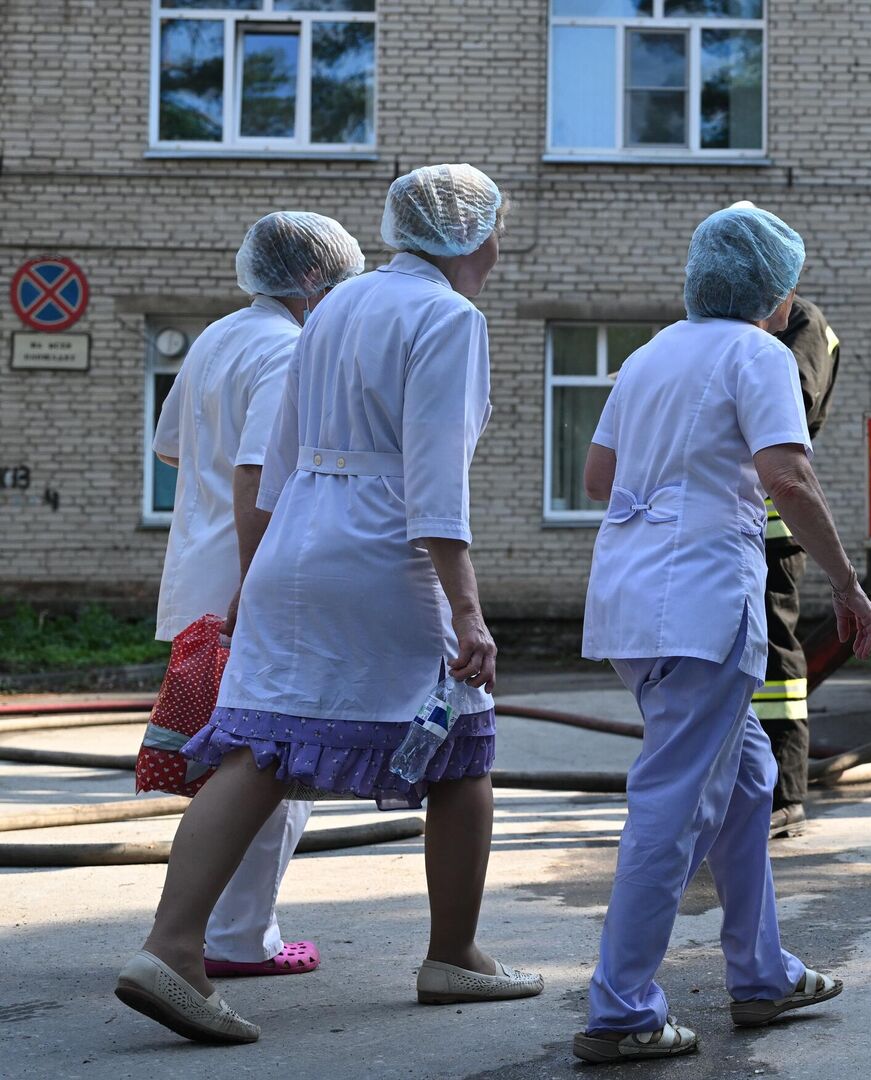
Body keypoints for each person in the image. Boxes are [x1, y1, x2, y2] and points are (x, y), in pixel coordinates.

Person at [115, 164, 543, 1046]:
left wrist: (250, 582)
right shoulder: (449, 317)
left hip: (294, 543)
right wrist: (468, 612)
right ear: (473, 237)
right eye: (498, 228)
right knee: (461, 744)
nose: (500, 247)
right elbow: (435, 480)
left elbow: (269, 465)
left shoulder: (335, 306)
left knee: (262, 744)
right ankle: (454, 953)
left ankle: (171, 947)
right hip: (383, 551)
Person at [573, 204, 871, 1063]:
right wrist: (848, 586)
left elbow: (599, 476)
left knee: (747, 782)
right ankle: (622, 1008)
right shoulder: (760, 353)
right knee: (672, 808)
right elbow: (788, 474)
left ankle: (761, 974)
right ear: (773, 293)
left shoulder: (649, 353)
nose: (792, 301)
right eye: (789, 286)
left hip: (634, 602)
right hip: (701, 601)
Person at [148, 211, 364, 979]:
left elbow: (171, 447)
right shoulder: (289, 348)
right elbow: (256, 477)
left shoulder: (217, 336)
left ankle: (214, 928)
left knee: (233, 766)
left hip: (198, 584)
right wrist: (258, 587)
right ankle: (241, 938)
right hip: (248, 589)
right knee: (277, 765)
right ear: (313, 282)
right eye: (338, 285)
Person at [759, 293, 841, 839]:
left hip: (772, 524)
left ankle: (784, 792)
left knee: (773, 657)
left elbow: (796, 398)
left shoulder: (802, 320)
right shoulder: (739, 320)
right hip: (723, 527)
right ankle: (735, 785)